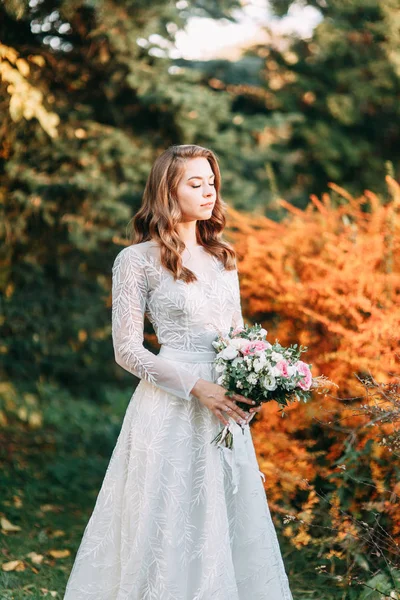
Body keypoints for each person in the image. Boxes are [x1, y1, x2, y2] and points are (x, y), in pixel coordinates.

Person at [63, 144, 293, 599]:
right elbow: (127, 350)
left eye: (211, 182)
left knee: (220, 516)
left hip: (223, 409)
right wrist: (194, 386)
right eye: (195, 183)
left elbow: (238, 337)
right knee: (166, 515)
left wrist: (256, 378)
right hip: (168, 406)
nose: (208, 192)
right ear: (168, 190)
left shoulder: (223, 259)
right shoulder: (135, 261)